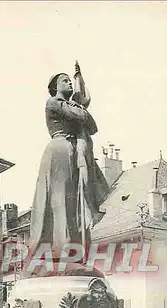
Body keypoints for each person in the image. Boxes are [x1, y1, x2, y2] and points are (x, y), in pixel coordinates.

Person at [28, 65, 109, 263]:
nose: (69, 83)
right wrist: (81, 107)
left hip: (73, 153)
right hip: (60, 151)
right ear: (55, 86)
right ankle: (58, 249)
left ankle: (73, 251)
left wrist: (80, 106)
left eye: (70, 80)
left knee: (74, 202)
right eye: (65, 80)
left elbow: (93, 127)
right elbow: (82, 117)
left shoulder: (70, 105)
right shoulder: (54, 102)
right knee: (60, 198)